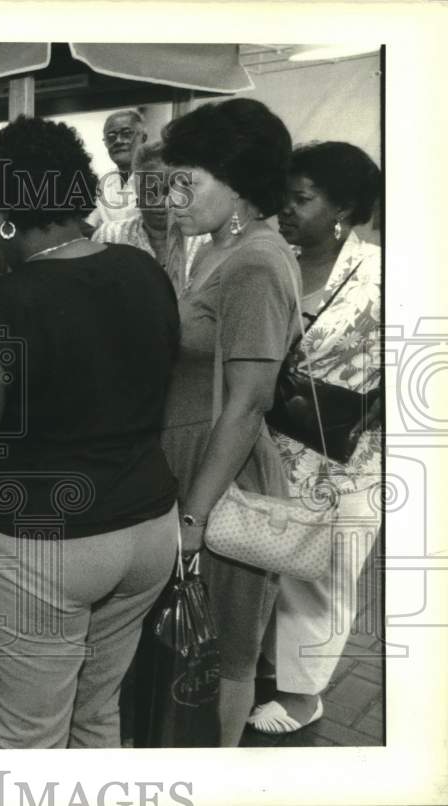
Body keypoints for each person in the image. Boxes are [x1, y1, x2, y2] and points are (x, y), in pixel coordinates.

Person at [0, 116, 181, 749]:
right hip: (148, 530)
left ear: (7, 213)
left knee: (25, 742)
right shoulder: (145, 272)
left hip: (42, 545)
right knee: (97, 716)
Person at [158, 97, 300, 746]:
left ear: (239, 186)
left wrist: (195, 517)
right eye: (171, 175)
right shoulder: (214, 248)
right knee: (187, 645)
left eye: (189, 179)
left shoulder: (258, 262)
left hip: (226, 482)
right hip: (190, 466)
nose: (173, 192)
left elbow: (248, 401)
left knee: (226, 655)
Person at [249, 142, 383, 734]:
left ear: (345, 207)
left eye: (301, 198)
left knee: (323, 576)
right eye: (283, 195)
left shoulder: (383, 274)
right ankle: (267, 668)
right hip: (267, 444)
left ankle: (304, 696)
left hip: (348, 457)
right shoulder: (272, 259)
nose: (286, 208)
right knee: (266, 561)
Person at [90, 141, 209, 296]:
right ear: (137, 193)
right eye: (150, 192)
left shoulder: (204, 240)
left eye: (168, 191)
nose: (160, 202)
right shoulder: (110, 236)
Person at [83, 108, 148, 236]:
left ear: (143, 137)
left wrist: (103, 232)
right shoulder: (103, 183)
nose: (118, 141)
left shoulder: (159, 179)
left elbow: (152, 231)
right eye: (111, 137)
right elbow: (88, 226)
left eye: (127, 133)